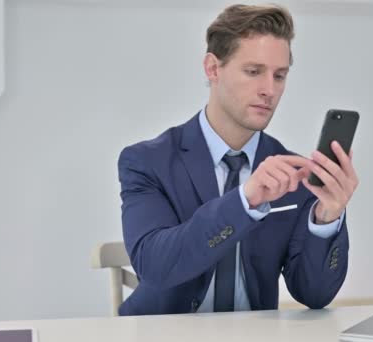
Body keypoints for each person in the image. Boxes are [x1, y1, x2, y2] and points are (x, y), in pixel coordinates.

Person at [117, 4, 358, 316]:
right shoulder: (147, 161)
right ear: (213, 68)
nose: (269, 90)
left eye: (280, 75)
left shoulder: (294, 174)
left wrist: (327, 218)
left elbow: (314, 294)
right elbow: (155, 265)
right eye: (254, 72)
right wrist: (245, 201)